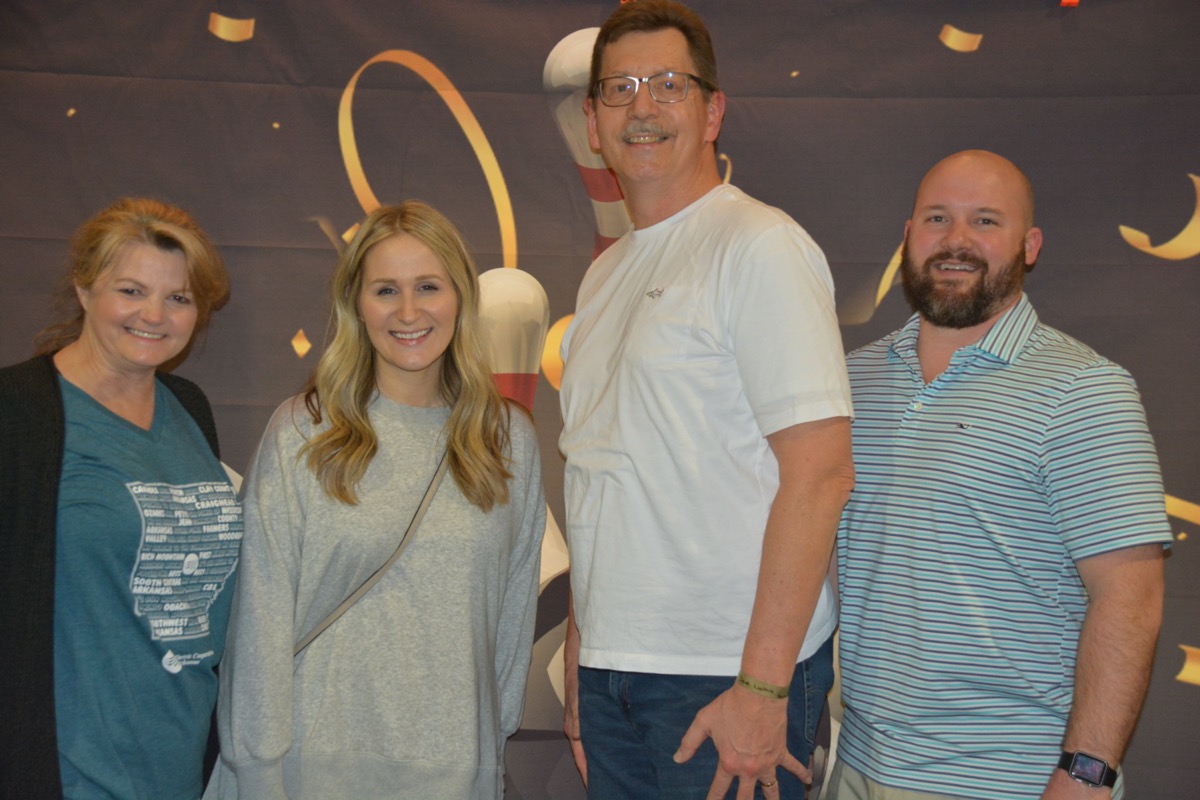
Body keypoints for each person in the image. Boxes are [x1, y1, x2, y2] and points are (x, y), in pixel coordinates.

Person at [557, 2, 854, 797]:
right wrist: (585, 649)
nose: (642, 107)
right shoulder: (603, 276)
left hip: (725, 677)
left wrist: (761, 687)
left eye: (668, 84)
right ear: (592, 123)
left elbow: (822, 473)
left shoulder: (760, 245)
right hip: (613, 673)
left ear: (713, 111)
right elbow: (600, 471)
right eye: (619, 89)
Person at [830, 150, 1171, 800]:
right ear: (908, 234)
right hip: (854, 765)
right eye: (937, 218)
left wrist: (1087, 774)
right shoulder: (849, 381)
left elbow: (1130, 600)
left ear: (1029, 245)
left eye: (985, 220)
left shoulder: (1085, 390)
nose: (956, 240)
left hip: (1012, 778)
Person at [206, 201, 545, 800]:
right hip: (310, 770)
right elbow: (259, 616)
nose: (408, 312)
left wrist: (489, 749)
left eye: (429, 287)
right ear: (356, 305)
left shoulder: (506, 438)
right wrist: (256, 771)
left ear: (461, 298)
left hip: (454, 770)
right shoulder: (304, 431)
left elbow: (513, 612)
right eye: (386, 289)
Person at [0, 197, 240, 799]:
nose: (154, 315)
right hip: (64, 771)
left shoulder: (189, 407)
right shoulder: (17, 411)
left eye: (178, 297)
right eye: (131, 291)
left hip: (182, 764)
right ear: (84, 289)